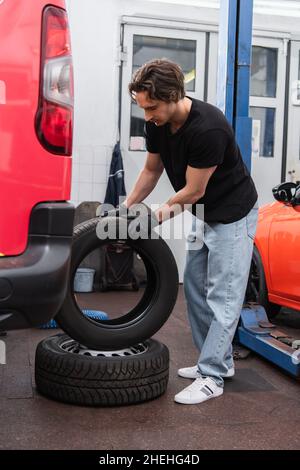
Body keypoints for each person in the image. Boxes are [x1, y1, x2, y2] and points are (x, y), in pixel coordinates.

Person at [118, 58, 258, 404]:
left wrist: (155, 216)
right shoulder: (157, 122)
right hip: (203, 212)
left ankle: (212, 377)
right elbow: (151, 171)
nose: (147, 115)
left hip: (233, 213)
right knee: (194, 286)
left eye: (152, 107)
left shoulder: (208, 128)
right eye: (142, 107)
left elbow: (194, 190)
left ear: (174, 95)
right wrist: (125, 209)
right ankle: (217, 363)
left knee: (222, 296)